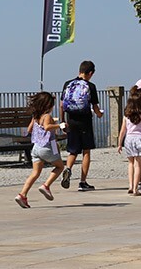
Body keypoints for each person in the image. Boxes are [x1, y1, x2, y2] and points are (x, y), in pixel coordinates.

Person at [15, 92, 67, 209]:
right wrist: (59, 125)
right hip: (47, 147)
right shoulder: (47, 116)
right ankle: (46, 185)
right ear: (48, 105)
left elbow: (29, 129)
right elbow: (47, 127)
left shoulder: (35, 116)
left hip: (36, 148)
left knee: (35, 173)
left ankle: (22, 195)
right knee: (60, 167)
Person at [59, 60, 104, 191]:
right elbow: (95, 106)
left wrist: (62, 121)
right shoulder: (91, 86)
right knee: (86, 151)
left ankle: (68, 169)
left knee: (73, 150)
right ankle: (83, 182)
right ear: (90, 73)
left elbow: (61, 105)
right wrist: (99, 114)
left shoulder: (68, 84)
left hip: (71, 121)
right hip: (85, 122)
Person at [117, 92, 141, 196]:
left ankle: (130, 186)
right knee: (138, 164)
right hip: (139, 139)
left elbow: (123, 130)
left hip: (129, 139)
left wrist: (119, 144)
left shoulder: (126, 116)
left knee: (130, 163)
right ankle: (136, 188)